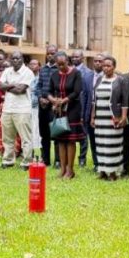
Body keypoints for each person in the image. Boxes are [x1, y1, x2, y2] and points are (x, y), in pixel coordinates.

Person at [48, 51, 85, 179]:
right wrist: (52, 100)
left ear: (67, 62)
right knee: (61, 140)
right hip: (58, 110)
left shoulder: (76, 73)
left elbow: (77, 91)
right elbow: (48, 91)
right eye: (58, 65)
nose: (61, 67)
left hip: (72, 109)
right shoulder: (54, 74)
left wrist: (64, 100)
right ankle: (62, 169)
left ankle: (70, 170)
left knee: (70, 140)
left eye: (63, 64)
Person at [92, 55, 129, 180]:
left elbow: (125, 101)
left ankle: (113, 172)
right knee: (101, 143)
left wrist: (123, 117)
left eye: (108, 66)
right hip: (100, 118)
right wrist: (93, 117)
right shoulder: (99, 80)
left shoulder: (120, 80)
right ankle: (102, 170)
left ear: (114, 67)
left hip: (113, 117)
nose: (105, 68)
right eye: (104, 66)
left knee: (112, 145)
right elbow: (94, 101)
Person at [0, 51, 35, 168]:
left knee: (26, 138)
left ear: (22, 59)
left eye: (18, 58)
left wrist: (7, 86)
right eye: (13, 58)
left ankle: (27, 161)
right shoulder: (7, 71)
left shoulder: (28, 72)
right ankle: (8, 160)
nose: (15, 61)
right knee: (7, 137)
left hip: (23, 109)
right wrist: (13, 85)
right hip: (7, 108)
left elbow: (21, 90)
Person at [72, 51, 96, 168]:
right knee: (70, 133)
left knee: (83, 134)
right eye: (73, 56)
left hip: (83, 106)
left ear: (82, 58)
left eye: (77, 56)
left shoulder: (88, 73)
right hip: (71, 106)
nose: (74, 58)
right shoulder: (69, 70)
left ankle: (82, 158)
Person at [37, 45, 59, 167]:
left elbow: (59, 89)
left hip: (54, 106)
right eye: (49, 53)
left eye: (53, 53)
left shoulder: (59, 69)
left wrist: (51, 101)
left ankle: (57, 160)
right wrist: (40, 98)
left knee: (56, 133)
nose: (51, 55)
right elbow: (39, 86)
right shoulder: (43, 69)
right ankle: (45, 159)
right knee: (44, 134)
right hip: (43, 106)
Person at [28, 58, 42, 161]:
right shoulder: (26, 76)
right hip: (27, 107)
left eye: (35, 64)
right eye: (31, 64)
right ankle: (30, 153)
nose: (33, 65)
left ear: (39, 66)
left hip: (38, 107)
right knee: (30, 130)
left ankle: (39, 153)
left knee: (37, 130)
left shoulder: (40, 77)